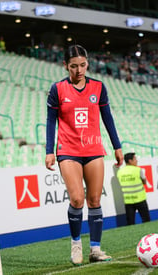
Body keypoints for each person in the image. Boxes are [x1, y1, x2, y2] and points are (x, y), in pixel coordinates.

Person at [45, 44, 123, 266]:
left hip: (94, 148)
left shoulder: (99, 87)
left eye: (82, 65)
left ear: (87, 63)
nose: (79, 70)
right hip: (68, 149)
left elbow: (108, 118)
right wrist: (49, 150)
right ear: (65, 66)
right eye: (73, 66)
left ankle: (95, 249)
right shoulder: (57, 89)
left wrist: (117, 146)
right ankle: (76, 243)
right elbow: (51, 121)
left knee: (95, 199)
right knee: (77, 198)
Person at [116, 153, 151, 225]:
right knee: (146, 221)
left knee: (130, 223)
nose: (136, 161)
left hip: (128, 200)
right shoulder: (138, 170)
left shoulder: (120, 172)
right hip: (140, 199)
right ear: (130, 161)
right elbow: (144, 181)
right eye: (135, 159)